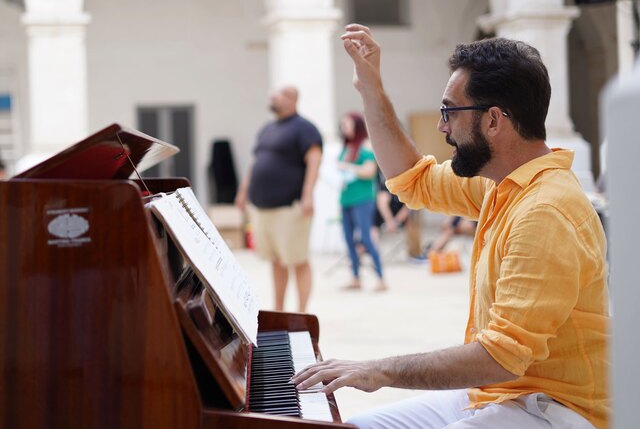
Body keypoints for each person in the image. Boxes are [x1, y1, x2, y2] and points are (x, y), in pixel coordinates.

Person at [292, 24, 609, 428]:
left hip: (555, 409)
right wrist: (371, 87)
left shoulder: (545, 211)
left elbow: (501, 356)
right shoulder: (504, 184)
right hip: (502, 394)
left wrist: (381, 371)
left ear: (493, 120)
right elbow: (412, 178)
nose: (442, 128)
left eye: (449, 112)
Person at [235, 86, 322, 313]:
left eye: (280, 94)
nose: (272, 96)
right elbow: (255, 162)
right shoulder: (267, 129)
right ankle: (279, 309)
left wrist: (308, 195)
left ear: (292, 99)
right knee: (275, 260)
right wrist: (243, 191)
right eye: (272, 93)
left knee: (297, 259)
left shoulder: (304, 128)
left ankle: (302, 312)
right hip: (263, 207)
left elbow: (314, 161)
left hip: (290, 208)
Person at [337, 112, 386, 291]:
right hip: (346, 199)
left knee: (366, 238)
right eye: (342, 124)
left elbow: (369, 172)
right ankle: (355, 278)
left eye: (347, 124)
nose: (344, 128)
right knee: (349, 240)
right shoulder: (346, 146)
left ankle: (381, 278)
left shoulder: (365, 146)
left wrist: (347, 167)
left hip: (363, 199)